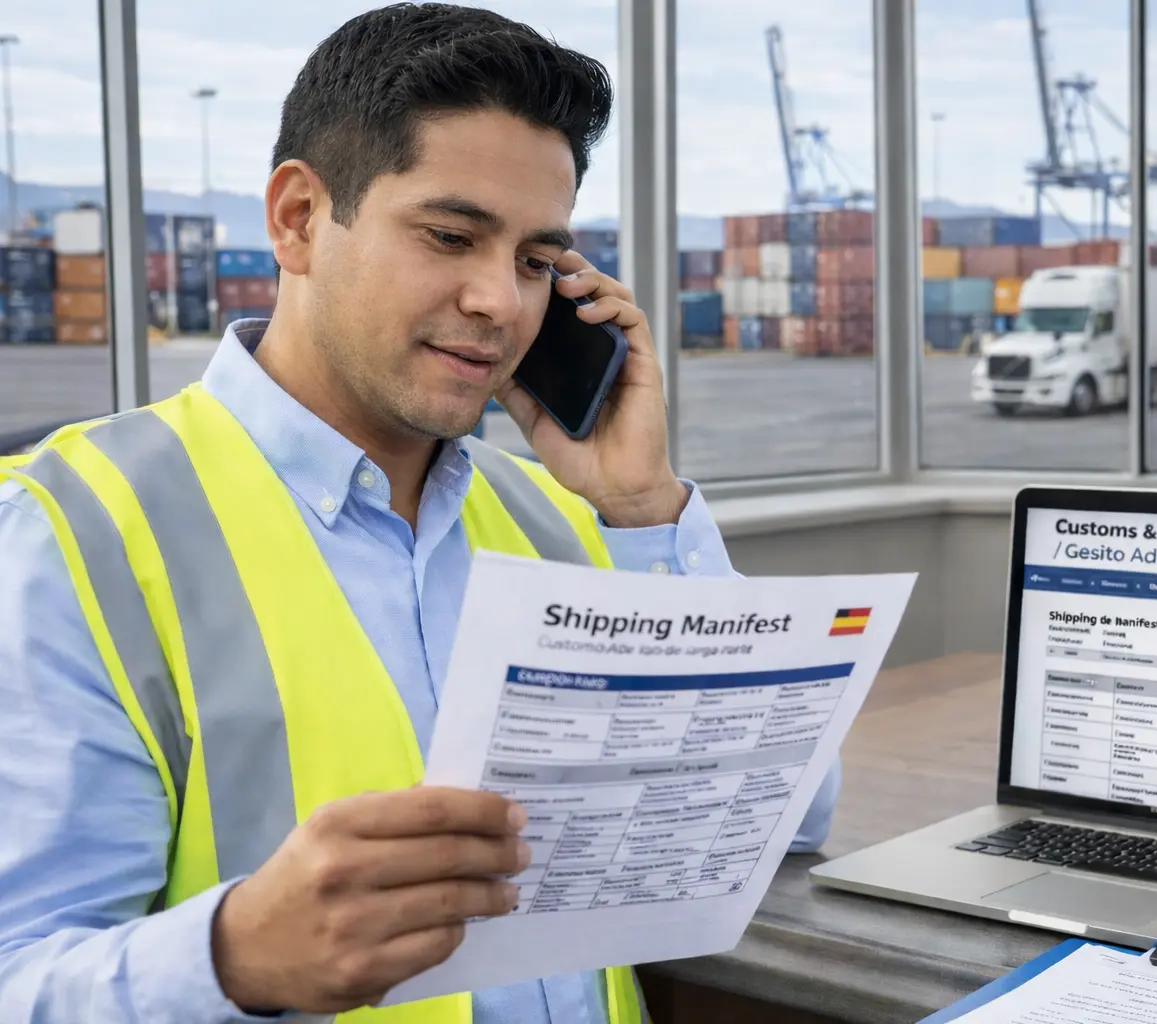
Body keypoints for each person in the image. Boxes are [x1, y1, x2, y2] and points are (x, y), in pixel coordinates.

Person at [0, 5, 841, 1022]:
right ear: (298, 218)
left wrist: (644, 510)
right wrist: (231, 958)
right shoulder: (76, 530)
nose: (502, 301)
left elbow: (787, 813)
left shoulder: (564, 518)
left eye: (537, 260)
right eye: (452, 236)